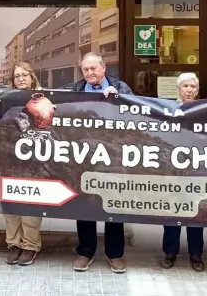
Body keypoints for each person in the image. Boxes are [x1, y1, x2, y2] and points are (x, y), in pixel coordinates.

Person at [71, 52, 132, 274]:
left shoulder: (121, 88)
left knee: (113, 203)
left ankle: (115, 255)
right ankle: (85, 252)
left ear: (104, 68)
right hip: (84, 157)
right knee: (85, 204)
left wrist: (120, 100)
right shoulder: (75, 90)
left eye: (93, 68)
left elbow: (137, 115)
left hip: (113, 156)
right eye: (85, 70)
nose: (89, 73)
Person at [0, 62, 43, 267]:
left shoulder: (44, 99)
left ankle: (30, 245)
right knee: (11, 203)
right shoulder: (7, 101)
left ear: (32, 77)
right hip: (9, 160)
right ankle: (13, 243)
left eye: (24, 75)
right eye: (17, 76)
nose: (20, 79)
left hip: (34, 161)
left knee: (30, 204)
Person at [161, 72, 205, 272]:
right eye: (185, 86)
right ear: (178, 89)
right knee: (171, 211)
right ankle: (170, 252)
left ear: (197, 90)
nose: (189, 90)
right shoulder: (167, 109)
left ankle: (196, 255)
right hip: (172, 169)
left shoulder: (205, 110)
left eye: (192, 87)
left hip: (195, 169)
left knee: (195, 212)